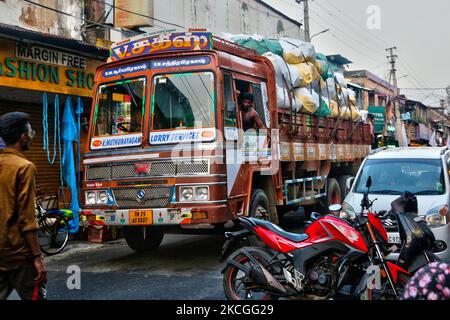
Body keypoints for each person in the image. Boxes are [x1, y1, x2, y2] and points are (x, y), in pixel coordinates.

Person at [0, 112, 47, 300]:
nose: (32, 136)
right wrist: (37, 257)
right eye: (31, 133)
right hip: (19, 255)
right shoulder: (24, 167)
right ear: (22, 137)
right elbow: (27, 219)